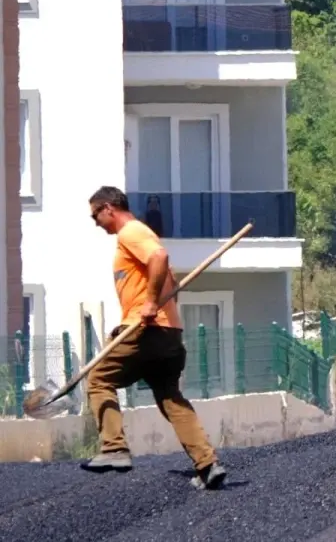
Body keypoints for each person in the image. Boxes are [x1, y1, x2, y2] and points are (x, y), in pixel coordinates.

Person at [84, 186, 227, 490]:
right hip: (170, 334)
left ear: (109, 208)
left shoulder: (131, 232)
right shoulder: (141, 236)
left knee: (98, 379)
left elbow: (158, 257)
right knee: (169, 396)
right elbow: (163, 272)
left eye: (95, 215)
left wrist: (148, 304)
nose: (95, 222)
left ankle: (114, 449)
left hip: (146, 330)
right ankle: (207, 465)